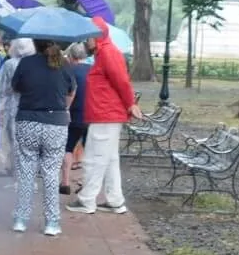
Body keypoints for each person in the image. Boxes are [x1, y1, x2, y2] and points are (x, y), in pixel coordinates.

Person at [66, 16, 142, 215]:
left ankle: (87, 200)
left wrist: (130, 103)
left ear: (96, 36)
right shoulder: (104, 53)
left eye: (88, 38)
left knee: (94, 158)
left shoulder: (108, 53)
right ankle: (115, 200)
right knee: (108, 160)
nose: (85, 42)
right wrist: (128, 104)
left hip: (105, 115)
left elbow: (122, 82)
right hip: (106, 114)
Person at [11, 39, 74, 236]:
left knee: (26, 171)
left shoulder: (26, 63)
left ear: (35, 44)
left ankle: (21, 219)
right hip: (56, 123)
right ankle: (52, 222)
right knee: (51, 173)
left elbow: (16, 87)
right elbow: (71, 90)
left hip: (28, 120)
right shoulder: (64, 64)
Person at [0, 37, 35, 176]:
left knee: (12, 137)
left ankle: (14, 169)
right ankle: (25, 171)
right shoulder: (34, 63)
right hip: (30, 104)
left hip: (12, 105)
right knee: (26, 139)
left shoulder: (9, 64)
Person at [59, 41, 89, 195]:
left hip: (72, 115)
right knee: (89, 151)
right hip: (91, 116)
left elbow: (65, 93)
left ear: (71, 56)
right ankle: (86, 183)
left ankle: (65, 182)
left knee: (67, 148)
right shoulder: (93, 70)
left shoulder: (67, 70)